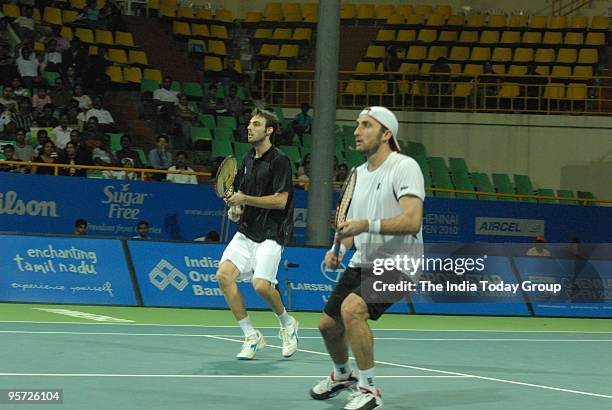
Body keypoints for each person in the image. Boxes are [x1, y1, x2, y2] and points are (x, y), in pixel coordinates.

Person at [309, 106, 425, 410]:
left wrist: (366, 226)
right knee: (327, 325)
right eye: (357, 125)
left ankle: (369, 389)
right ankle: (343, 375)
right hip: (364, 260)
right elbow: (352, 227)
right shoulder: (357, 174)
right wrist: (340, 250)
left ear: (386, 133)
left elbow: (412, 221)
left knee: (353, 308)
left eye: (366, 125)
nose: (357, 131)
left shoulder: (405, 167)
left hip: (400, 263)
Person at [217, 108, 298, 360]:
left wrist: (245, 199)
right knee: (223, 276)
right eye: (249, 124)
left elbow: (280, 201)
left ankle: (287, 323)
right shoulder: (246, 160)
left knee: (261, 286)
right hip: (246, 230)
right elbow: (240, 197)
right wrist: (237, 208)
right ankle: (251, 336)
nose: (249, 128)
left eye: (255, 124)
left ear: (269, 130)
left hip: (272, 232)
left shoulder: (280, 160)